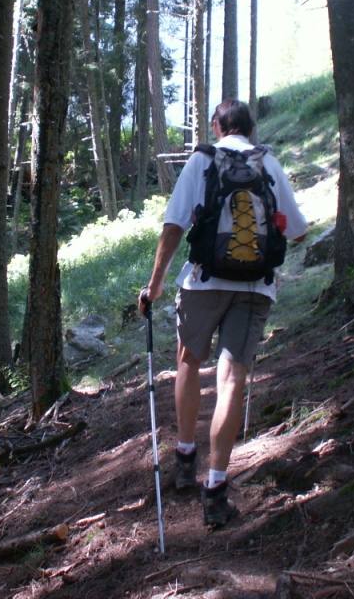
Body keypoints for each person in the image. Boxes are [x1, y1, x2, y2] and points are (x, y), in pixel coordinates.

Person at [139, 99, 308, 528]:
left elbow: (174, 226)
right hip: (256, 287)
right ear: (251, 128)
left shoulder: (202, 160)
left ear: (217, 126)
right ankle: (215, 490)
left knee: (188, 363)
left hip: (203, 282)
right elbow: (300, 230)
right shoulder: (268, 161)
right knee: (232, 379)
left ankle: (184, 459)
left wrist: (155, 286)